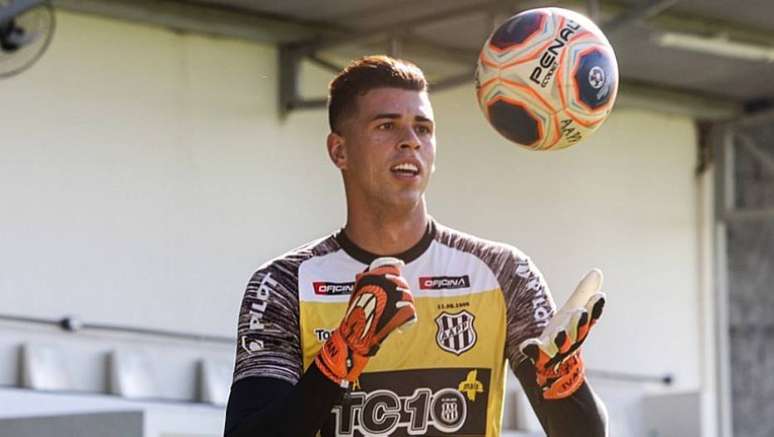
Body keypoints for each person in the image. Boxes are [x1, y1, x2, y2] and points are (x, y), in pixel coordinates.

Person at [224, 55, 608, 437]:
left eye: (423, 128)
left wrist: (564, 383)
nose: (410, 141)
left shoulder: (503, 272)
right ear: (339, 151)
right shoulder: (283, 284)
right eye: (387, 125)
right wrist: (340, 356)